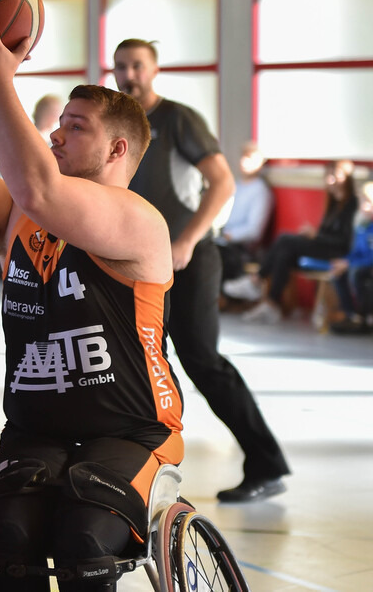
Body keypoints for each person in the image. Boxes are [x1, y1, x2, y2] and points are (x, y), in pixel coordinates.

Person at [0, 10, 182, 591]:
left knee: (84, 540)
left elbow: (39, 188)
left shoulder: (138, 221)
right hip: (37, 429)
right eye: (58, 124)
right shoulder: (21, 215)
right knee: (7, 540)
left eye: (75, 127)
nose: (56, 135)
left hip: (131, 431)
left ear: (116, 149)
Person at [113, 37, 290, 503]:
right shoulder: (117, 123)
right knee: (137, 362)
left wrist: (187, 240)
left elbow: (223, 181)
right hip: (138, 262)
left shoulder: (178, 119)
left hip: (188, 258)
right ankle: (139, 468)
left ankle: (266, 463)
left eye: (137, 66)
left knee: (202, 360)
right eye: (121, 66)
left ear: (154, 70)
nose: (129, 75)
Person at [239, 159, 358, 323]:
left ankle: (256, 280)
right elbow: (326, 233)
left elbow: (344, 241)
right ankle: (271, 304)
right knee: (284, 254)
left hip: (337, 252)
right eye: (328, 175)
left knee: (284, 239)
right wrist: (314, 235)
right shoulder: (332, 202)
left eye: (335, 175)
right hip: (323, 246)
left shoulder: (352, 204)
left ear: (346, 178)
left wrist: (315, 236)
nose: (330, 180)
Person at [218, 144, 275, 301]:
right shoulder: (234, 186)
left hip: (240, 247)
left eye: (250, 159)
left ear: (260, 164)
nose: (244, 162)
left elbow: (254, 231)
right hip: (222, 236)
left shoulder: (260, 191)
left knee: (216, 253)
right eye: (243, 157)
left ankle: (224, 295)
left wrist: (229, 236)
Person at [328, 180, 373, 334]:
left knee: (358, 274)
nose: (364, 206)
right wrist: (345, 261)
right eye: (362, 202)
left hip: (367, 267)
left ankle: (366, 316)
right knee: (338, 273)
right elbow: (357, 251)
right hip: (361, 263)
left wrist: (350, 264)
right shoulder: (362, 226)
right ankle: (351, 315)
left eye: (369, 202)